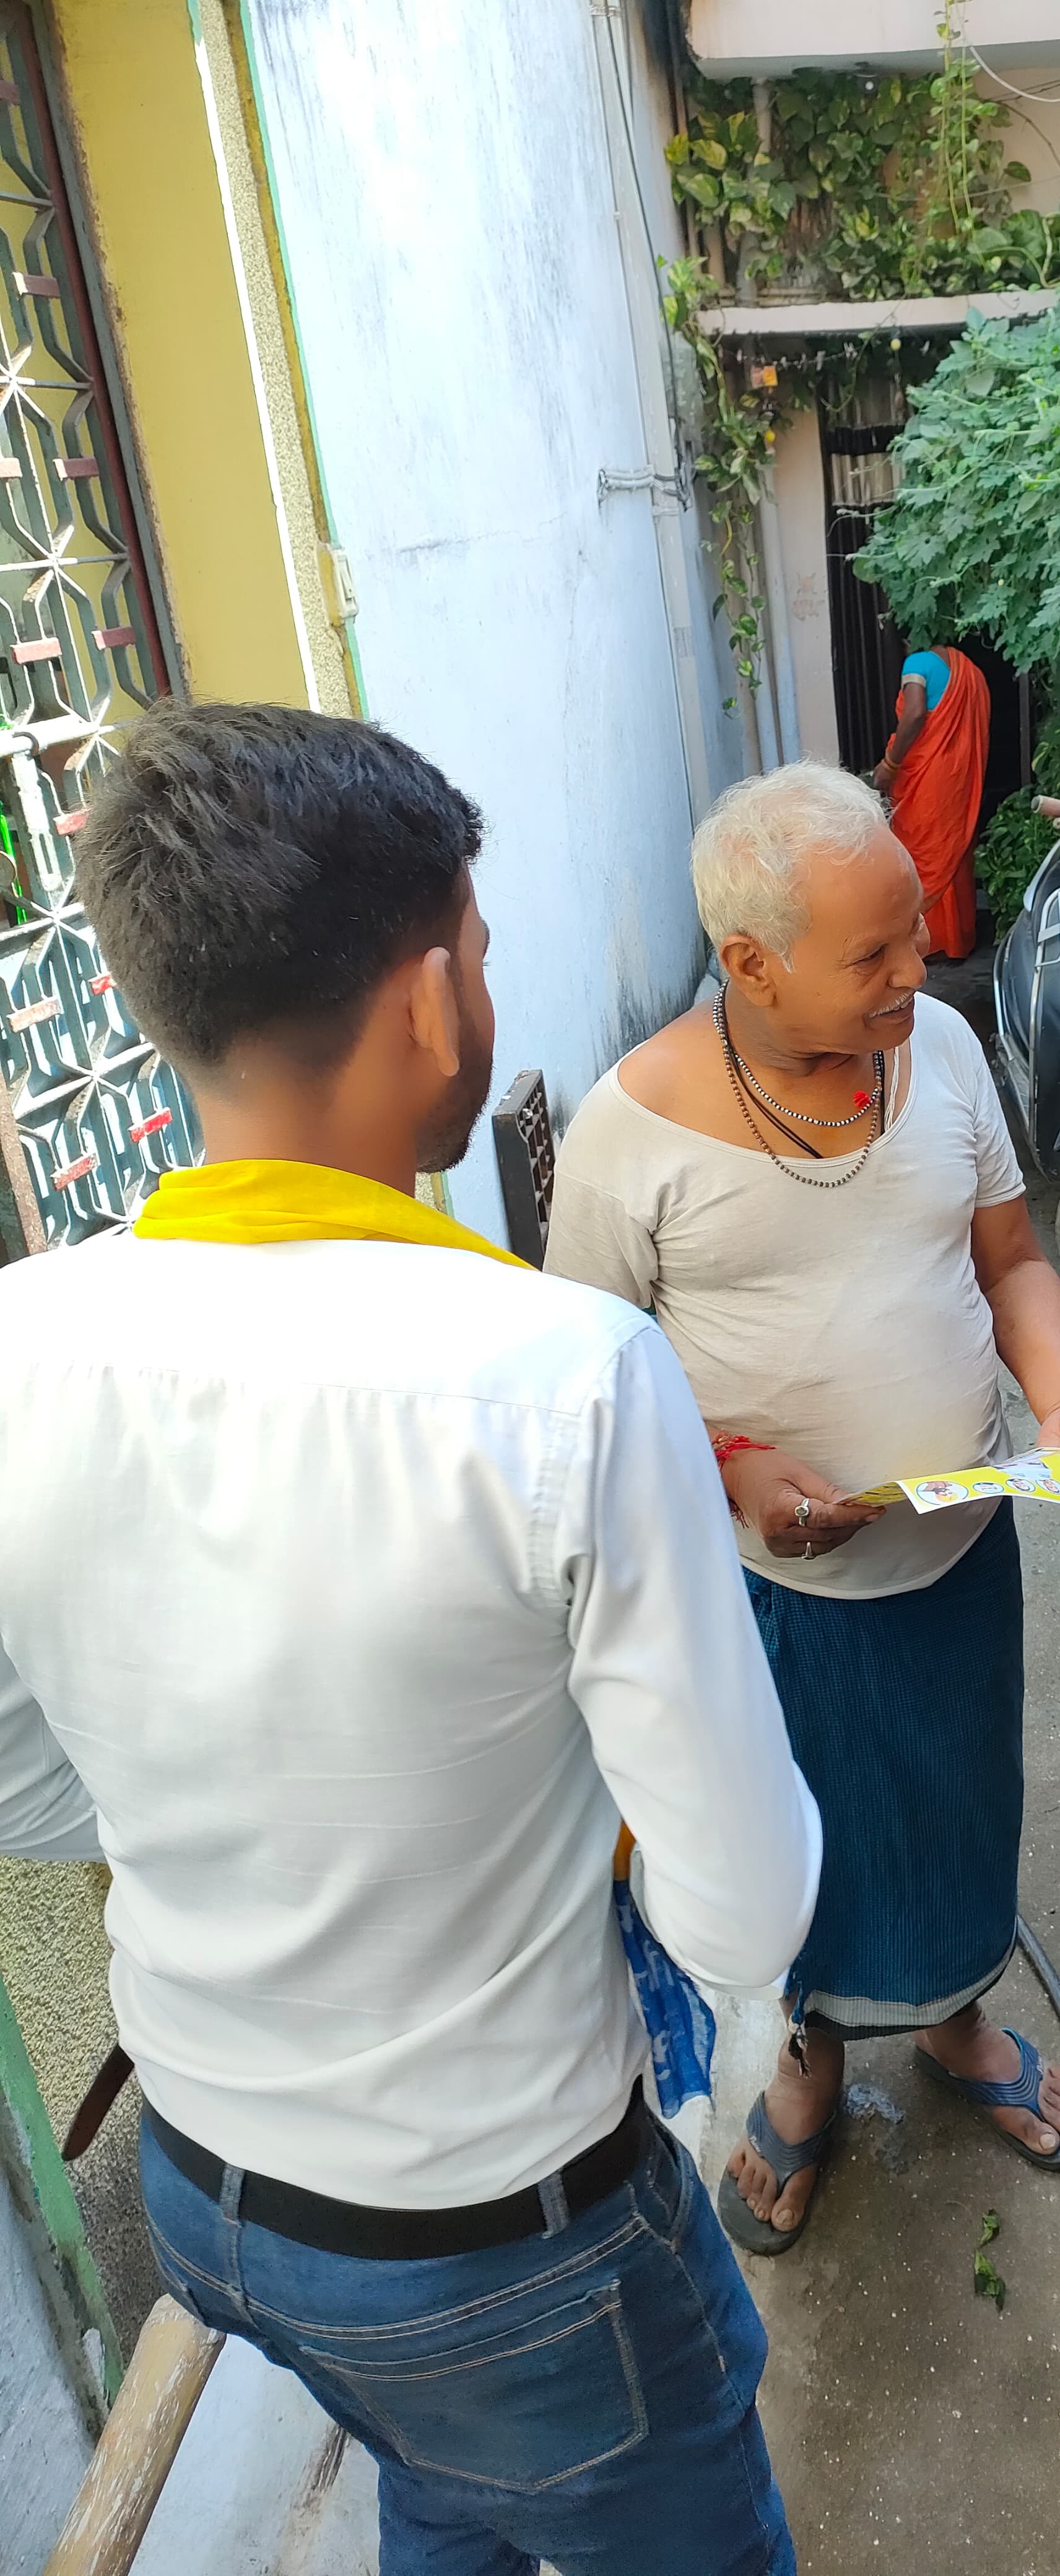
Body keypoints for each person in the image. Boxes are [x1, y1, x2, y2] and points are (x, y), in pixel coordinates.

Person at [0, 703, 819, 2576]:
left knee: (441, 2487)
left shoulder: (20, 1342)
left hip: (216, 2199)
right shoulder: (561, 1382)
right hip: (496, 2227)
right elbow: (742, 1902)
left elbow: (26, 1769)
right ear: (434, 995)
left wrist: (229, 1800)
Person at [544, 759, 1060, 2252]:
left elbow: (1011, 1262)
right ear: (749, 963)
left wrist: (1054, 1386)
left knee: (957, 1794)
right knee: (789, 1833)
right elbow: (584, 1381)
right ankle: (806, 2060)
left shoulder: (940, 1051)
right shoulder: (629, 1135)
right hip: (765, 1592)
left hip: (959, 1548)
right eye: (874, 954)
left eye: (913, 936)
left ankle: (952, 2021)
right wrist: (731, 1470)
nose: (915, 975)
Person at [871, 642, 990, 959]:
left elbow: (914, 714)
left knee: (924, 848)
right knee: (953, 846)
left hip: (927, 777)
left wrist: (890, 764)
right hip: (957, 774)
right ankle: (957, 940)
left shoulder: (918, 663)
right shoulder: (973, 674)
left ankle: (929, 942)